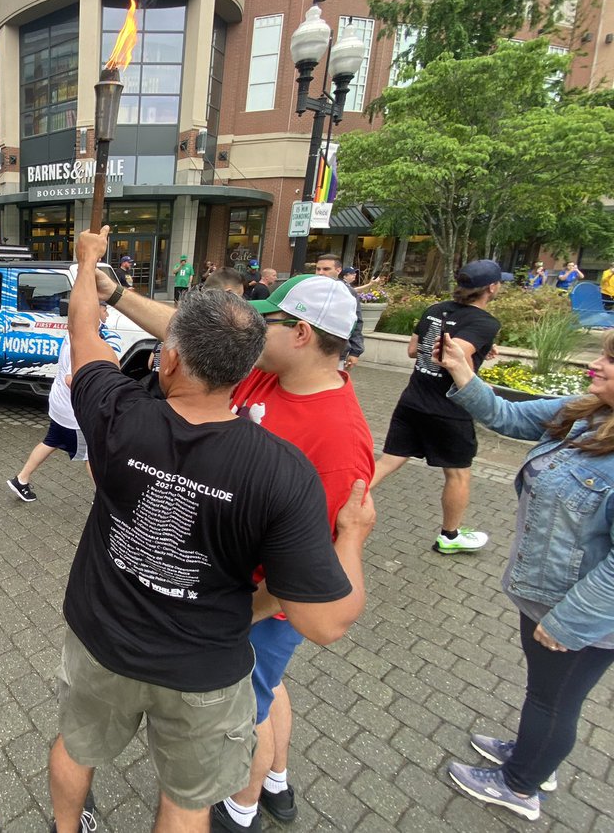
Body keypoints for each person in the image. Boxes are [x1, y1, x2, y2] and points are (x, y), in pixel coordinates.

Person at [47, 225, 375, 833]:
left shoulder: (116, 415)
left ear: (169, 359)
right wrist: (352, 535)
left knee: (76, 747)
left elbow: (85, 338)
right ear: (247, 367)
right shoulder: (284, 471)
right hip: (205, 662)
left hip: (103, 638)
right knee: (189, 798)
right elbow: (327, 622)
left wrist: (88, 263)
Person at [218, 276, 376, 831]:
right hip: (245, 585)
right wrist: (116, 297)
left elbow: (308, 569)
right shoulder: (272, 372)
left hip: (262, 600)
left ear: (302, 333)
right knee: (268, 683)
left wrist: (245, 614)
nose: (255, 329)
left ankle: (240, 809)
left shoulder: (336, 442)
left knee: (246, 708)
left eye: (269, 321)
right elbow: (187, 334)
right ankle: (278, 783)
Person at [437, 328, 614, 823]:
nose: (595, 365)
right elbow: (507, 416)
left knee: (552, 701)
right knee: (550, 695)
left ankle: (520, 785)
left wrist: (568, 621)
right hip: (549, 593)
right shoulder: (588, 411)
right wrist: (462, 372)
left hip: (577, 612)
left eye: (609, 360)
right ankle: (534, 756)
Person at [372, 259, 505, 553]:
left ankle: (338, 505)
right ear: (492, 288)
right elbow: (454, 355)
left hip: (413, 400)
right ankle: (449, 536)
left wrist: (482, 347)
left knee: (389, 460)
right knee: (457, 474)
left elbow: (412, 350)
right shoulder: (484, 322)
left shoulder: (435, 309)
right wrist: (478, 384)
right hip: (449, 410)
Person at [8, 304, 109, 503]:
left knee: (52, 440)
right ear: (95, 311)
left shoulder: (77, 333)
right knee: (90, 454)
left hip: (60, 405)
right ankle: (104, 499)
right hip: (72, 412)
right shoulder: (82, 341)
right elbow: (71, 379)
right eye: (105, 309)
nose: (108, 313)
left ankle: (21, 479)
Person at [314, 254, 364, 370]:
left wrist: (355, 352)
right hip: (307, 352)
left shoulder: (348, 293)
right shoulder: (308, 289)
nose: (321, 272)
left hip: (335, 354)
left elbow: (356, 322)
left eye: (326, 269)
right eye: (318, 269)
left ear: (338, 270)